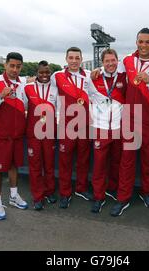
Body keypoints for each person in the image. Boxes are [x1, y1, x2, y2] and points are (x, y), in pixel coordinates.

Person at [93, 28, 149, 216]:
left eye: (147, 42)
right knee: (126, 162)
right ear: (136, 42)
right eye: (140, 41)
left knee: (148, 161)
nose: (143, 45)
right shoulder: (127, 60)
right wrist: (96, 70)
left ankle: (146, 192)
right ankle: (123, 198)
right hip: (129, 119)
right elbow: (111, 70)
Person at [0, 52, 29, 221]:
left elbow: (25, 105)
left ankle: (13, 195)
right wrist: (1, 96)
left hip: (17, 135)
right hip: (0, 135)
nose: (14, 69)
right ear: (5, 65)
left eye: (18, 66)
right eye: (11, 65)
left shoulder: (23, 84)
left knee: (14, 165)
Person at [51, 47, 93, 208]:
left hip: (84, 124)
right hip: (66, 124)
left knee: (83, 159)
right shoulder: (57, 76)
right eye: (71, 58)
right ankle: (65, 192)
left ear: (81, 59)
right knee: (65, 161)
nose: (74, 61)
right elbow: (52, 97)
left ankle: (81, 189)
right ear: (66, 59)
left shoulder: (90, 75)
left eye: (77, 58)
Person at [86, 48, 127, 213]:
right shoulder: (93, 79)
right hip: (101, 128)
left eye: (113, 60)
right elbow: (86, 96)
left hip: (118, 128)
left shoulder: (124, 77)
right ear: (102, 63)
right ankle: (98, 196)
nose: (110, 64)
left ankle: (113, 188)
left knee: (117, 162)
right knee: (99, 165)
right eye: (107, 61)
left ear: (118, 60)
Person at [24, 61, 58, 210]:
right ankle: (38, 196)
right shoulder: (28, 87)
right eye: (41, 73)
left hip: (49, 132)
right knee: (35, 166)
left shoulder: (55, 89)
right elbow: (23, 106)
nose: (44, 75)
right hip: (33, 133)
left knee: (49, 165)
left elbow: (58, 110)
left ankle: (50, 192)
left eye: (47, 73)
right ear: (37, 73)